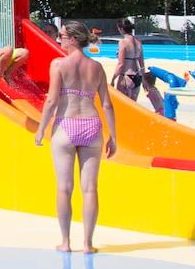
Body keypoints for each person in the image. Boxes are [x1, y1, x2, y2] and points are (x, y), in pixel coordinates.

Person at [38, 21, 118, 253]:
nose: (59, 39)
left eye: (62, 36)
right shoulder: (97, 67)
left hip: (66, 125)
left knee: (64, 188)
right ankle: (88, 244)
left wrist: (41, 129)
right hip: (92, 125)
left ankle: (65, 242)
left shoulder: (58, 64)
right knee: (90, 188)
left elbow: (52, 100)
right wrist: (113, 136)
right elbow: (107, 105)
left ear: (73, 39)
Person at [112, 18, 147, 101]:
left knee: (122, 104)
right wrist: (144, 80)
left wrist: (113, 79)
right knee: (133, 104)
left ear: (121, 29)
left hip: (126, 76)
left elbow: (121, 64)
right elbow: (142, 64)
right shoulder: (138, 42)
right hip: (137, 77)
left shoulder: (123, 42)